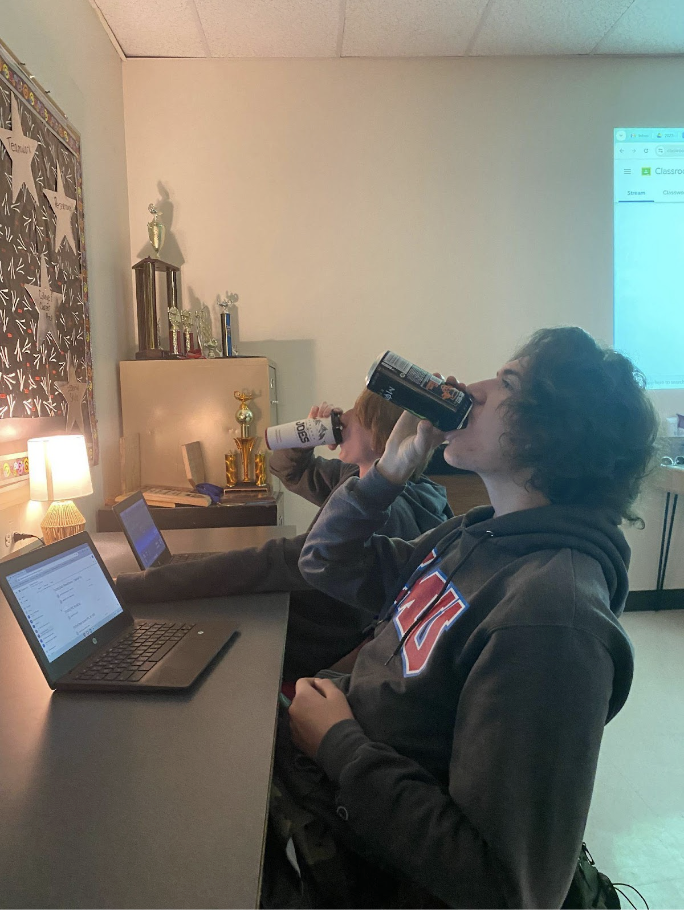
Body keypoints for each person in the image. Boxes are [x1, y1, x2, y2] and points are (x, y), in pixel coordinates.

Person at [267, 326, 659, 908]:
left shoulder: (552, 620)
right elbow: (326, 562)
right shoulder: (476, 534)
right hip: (330, 798)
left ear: (556, 432)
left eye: (507, 382)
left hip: (372, 866)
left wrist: (339, 744)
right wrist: (385, 475)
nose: (470, 390)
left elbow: (507, 890)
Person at [115, 389, 452, 680]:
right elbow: (288, 471)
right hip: (301, 617)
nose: (344, 418)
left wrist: (132, 586)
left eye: (357, 415)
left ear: (384, 436)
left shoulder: (385, 514)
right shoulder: (357, 480)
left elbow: (275, 561)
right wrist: (306, 437)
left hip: (309, 644)